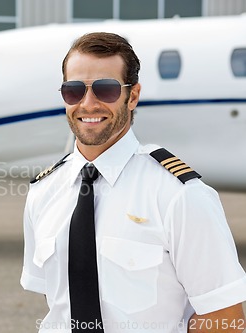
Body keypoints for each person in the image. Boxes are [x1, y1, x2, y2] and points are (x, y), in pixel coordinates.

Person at [20, 32, 246, 333]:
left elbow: (225, 318)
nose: (88, 103)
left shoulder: (179, 195)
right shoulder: (42, 192)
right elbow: (59, 303)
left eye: (106, 89)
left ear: (133, 95)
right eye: (73, 90)